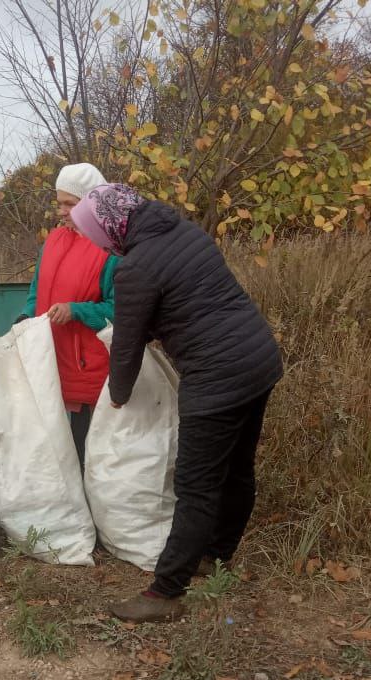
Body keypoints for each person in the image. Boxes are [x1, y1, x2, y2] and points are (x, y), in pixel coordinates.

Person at [70, 184, 283, 622]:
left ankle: (166, 592)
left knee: (196, 486)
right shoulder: (186, 232)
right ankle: (217, 555)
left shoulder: (135, 269)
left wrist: (117, 398)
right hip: (259, 358)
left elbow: (126, 349)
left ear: (110, 226)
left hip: (218, 375)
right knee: (238, 469)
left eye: (94, 233)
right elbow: (183, 303)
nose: (97, 242)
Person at [15, 163, 118, 470]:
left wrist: (77, 310)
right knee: (59, 452)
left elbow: (121, 309)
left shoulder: (109, 248)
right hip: (50, 361)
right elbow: (37, 289)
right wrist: (24, 316)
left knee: (91, 451)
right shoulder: (56, 240)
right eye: (59, 203)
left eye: (69, 204)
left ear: (90, 203)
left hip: (90, 368)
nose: (61, 211)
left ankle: (96, 512)